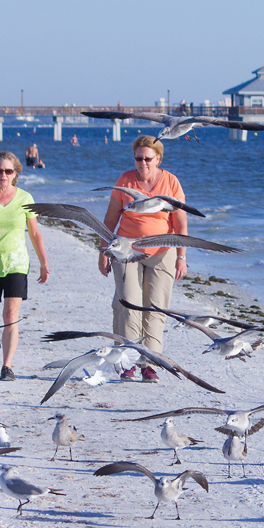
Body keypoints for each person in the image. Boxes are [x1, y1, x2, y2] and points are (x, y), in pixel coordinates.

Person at [97, 135, 188, 382]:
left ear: (158, 158)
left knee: (155, 309)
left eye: (148, 158)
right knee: (128, 305)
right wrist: (103, 251)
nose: (143, 163)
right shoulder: (125, 181)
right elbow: (109, 219)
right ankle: (127, 361)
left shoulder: (171, 182)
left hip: (162, 253)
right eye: (139, 158)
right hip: (126, 251)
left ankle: (150, 363)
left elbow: (180, 222)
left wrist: (182, 257)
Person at [0, 151, 49, 381]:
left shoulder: (25, 198)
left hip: (17, 263)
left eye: (8, 171)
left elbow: (34, 233)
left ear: (15, 174)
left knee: (11, 314)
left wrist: (43, 262)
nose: (3, 175)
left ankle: (7, 366)